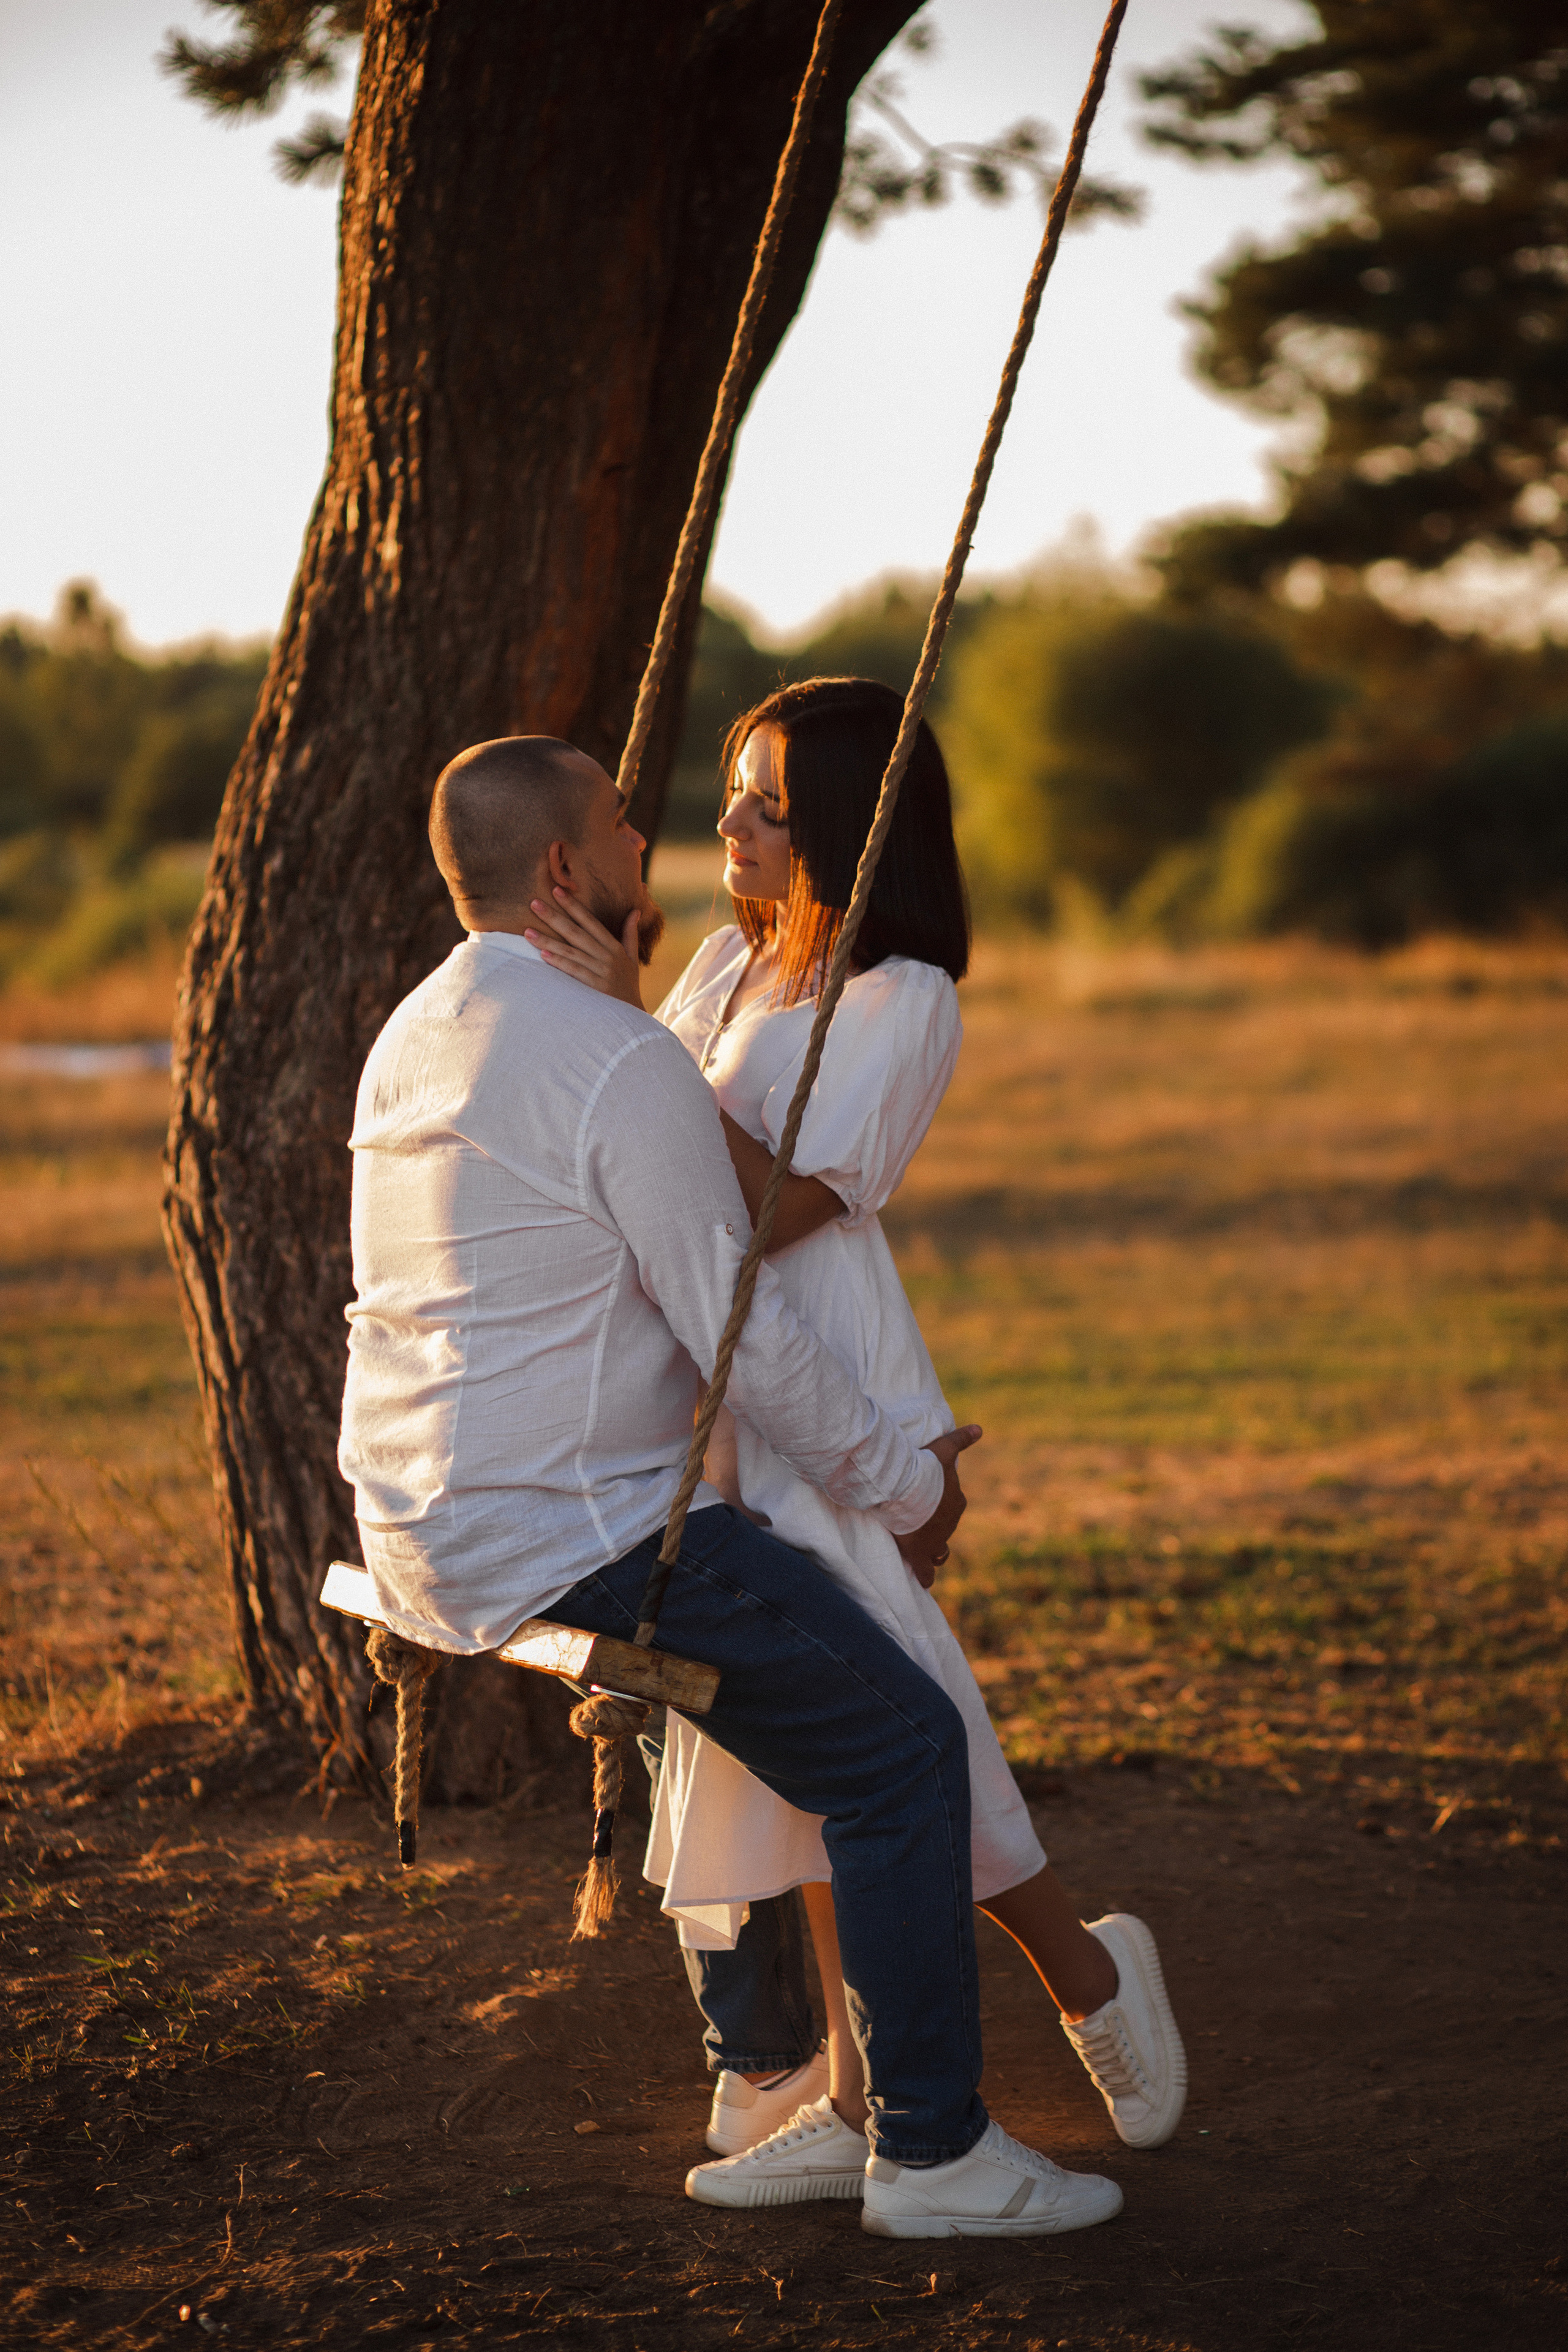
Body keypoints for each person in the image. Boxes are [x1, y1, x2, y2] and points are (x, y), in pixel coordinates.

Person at [339, 731, 1127, 2238]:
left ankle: (830, 2094)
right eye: (626, 824)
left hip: (426, 1517)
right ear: (567, 869)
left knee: (840, 1724)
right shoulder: (615, 1051)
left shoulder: (419, 1026)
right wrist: (908, 1487)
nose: (660, 841)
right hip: (579, 1535)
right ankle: (934, 2153)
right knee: (902, 1745)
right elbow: (733, 1322)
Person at [521, 680, 1186, 2211]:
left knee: (894, 1709)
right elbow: (635, 1179)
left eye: (764, 799)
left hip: (822, 1380)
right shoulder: (715, 970)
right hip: (712, 1398)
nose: (728, 822)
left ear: (844, 819)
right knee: (802, 1743)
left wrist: (619, 1037)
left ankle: (1090, 1979)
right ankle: (854, 2079)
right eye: (731, 793)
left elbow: (756, 1212)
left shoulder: (901, 998)